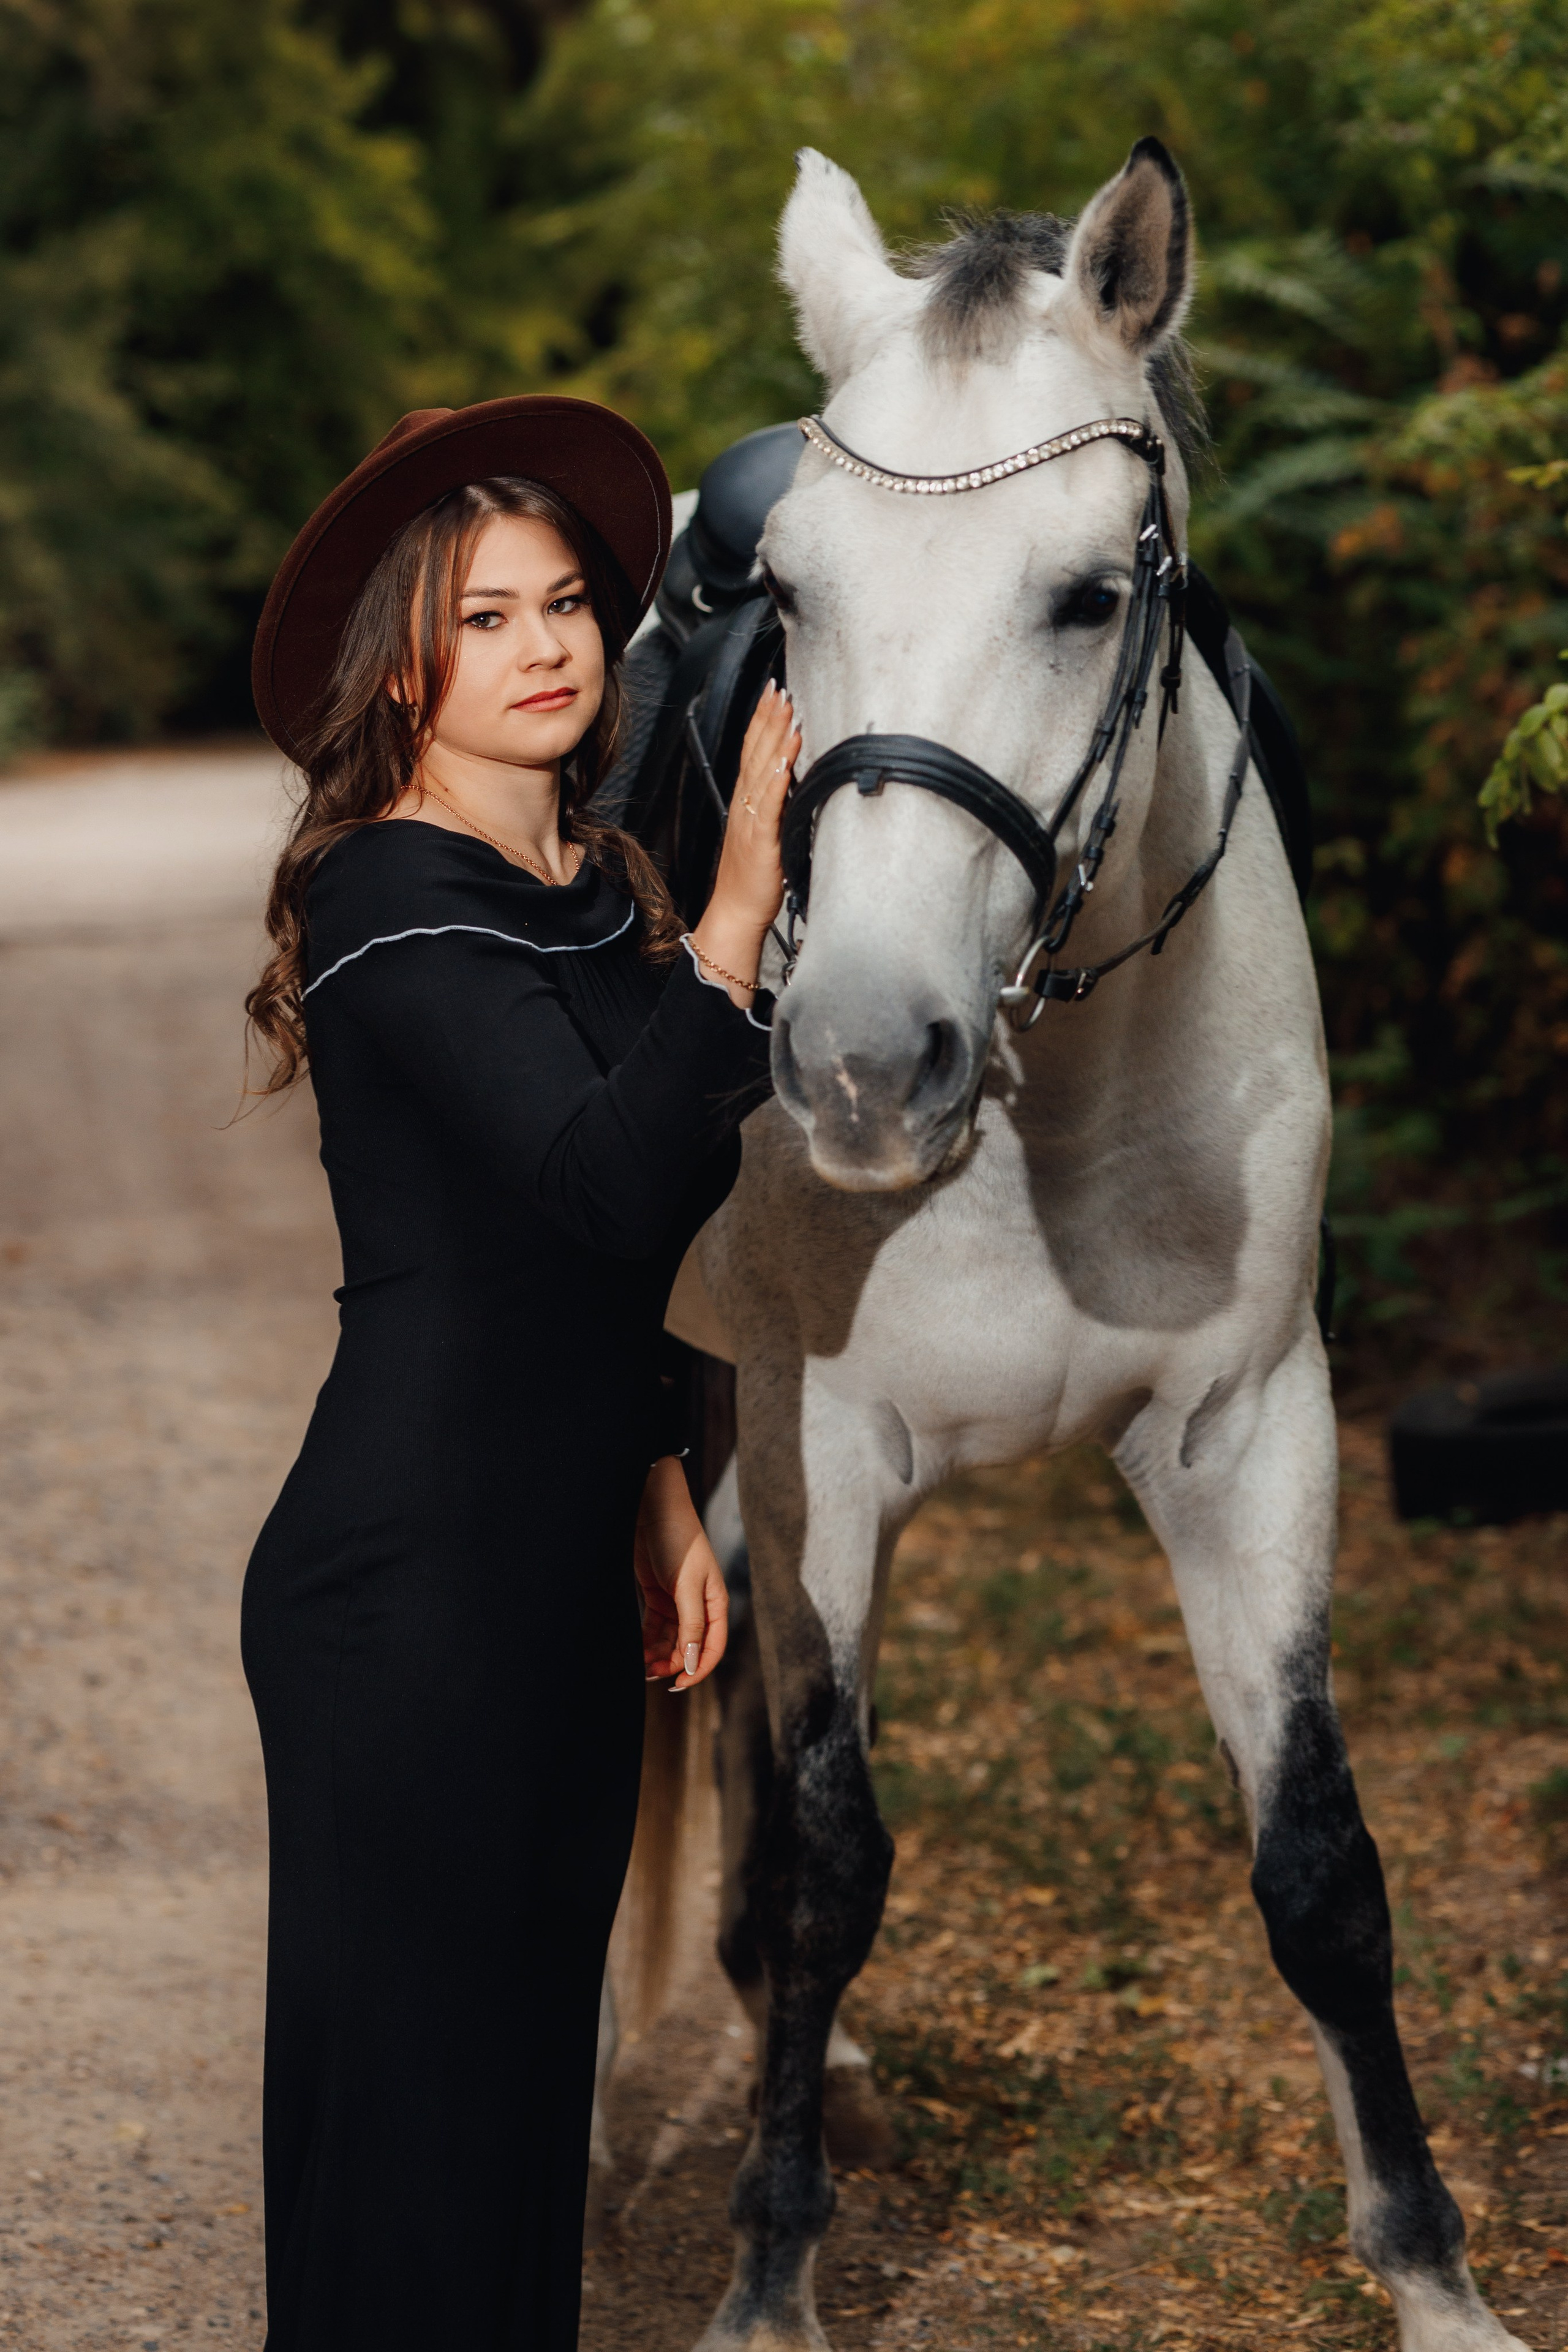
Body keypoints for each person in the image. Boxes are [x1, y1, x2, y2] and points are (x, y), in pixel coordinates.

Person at [239, 395, 797, 2351]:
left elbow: (593, 1276)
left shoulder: (586, 888)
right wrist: (733, 919)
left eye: (568, 604)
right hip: (402, 1596)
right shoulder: (387, 898)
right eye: (486, 618)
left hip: (553, 1576)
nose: (551, 646)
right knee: (411, 2135)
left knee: (508, 2133)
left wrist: (655, 1483)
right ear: (398, 655)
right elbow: (593, 1183)